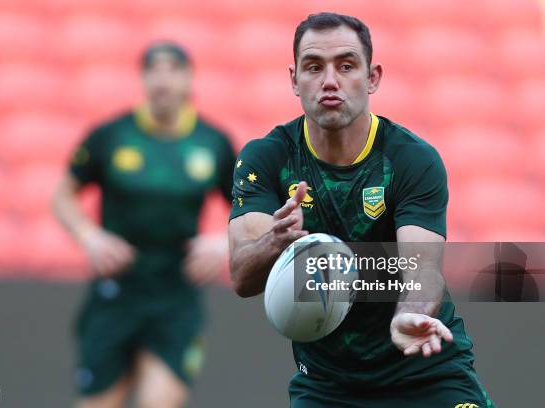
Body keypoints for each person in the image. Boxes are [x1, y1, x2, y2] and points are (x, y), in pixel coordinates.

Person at [228, 13, 495, 408]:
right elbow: (241, 277)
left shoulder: (410, 159)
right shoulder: (266, 158)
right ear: (293, 79)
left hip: (424, 370)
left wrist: (410, 315)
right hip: (327, 385)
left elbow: (422, 268)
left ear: (372, 78)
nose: (329, 80)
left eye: (346, 65)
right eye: (314, 67)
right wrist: (275, 241)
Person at [52, 42, 235, 408]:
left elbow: (250, 207)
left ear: (188, 78)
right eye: (153, 69)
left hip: (176, 294)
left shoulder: (212, 143)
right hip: (116, 291)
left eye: (172, 69)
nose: (162, 78)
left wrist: (223, 242)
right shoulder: (111, 136)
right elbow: (62, 196)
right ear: (142, 78)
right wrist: (90, 236)